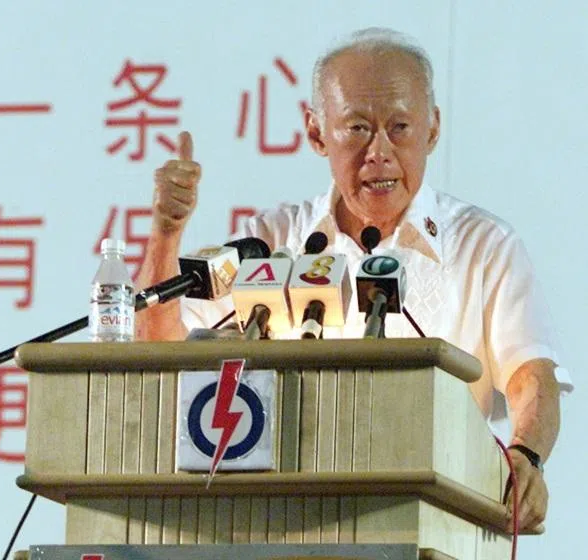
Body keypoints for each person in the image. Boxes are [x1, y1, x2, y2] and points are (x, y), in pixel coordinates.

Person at [133, 27, 572, 534]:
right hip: (280, 523)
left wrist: (526, 455)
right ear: (317, 132)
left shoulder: (483, 245)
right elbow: (159, 352)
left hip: (433, 521)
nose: (380, 152)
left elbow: (530, 374)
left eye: (400, 128)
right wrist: (166, 234)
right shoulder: (272, 239)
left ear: (432, 129)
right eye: (358, 128)